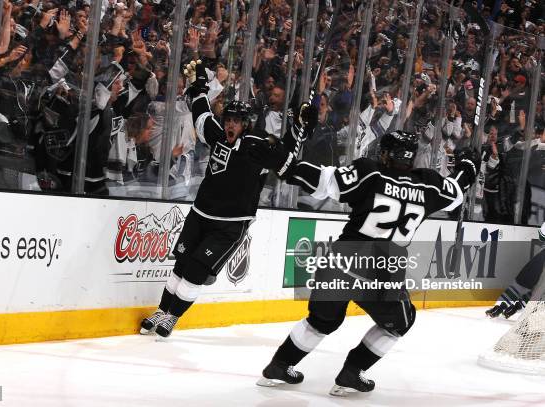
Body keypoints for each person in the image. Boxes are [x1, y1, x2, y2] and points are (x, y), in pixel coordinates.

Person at [247, 130, 480, 395]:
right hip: (381, 270)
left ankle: (280, 365)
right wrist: (469, 164)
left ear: (385, 153)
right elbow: (457, 188)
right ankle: (352, 371)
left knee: (322, 321)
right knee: (401, 322)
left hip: (340, 259)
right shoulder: (428, 184)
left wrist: (284, 163)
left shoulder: (370, 173)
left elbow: (321, 181)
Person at [139, 60, 317, 338]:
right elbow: (201, 113)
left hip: (231, 224)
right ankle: (162, 310)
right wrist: (199, 86)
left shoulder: (257, 146)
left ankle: (173, 316)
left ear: (245, 124)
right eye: (229, 119)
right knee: (181, 264)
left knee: (197, 270)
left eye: (236, 121)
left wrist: (300, 130)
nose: (231, 124)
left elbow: (287, 160)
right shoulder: (218, 135)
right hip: (201, 213)